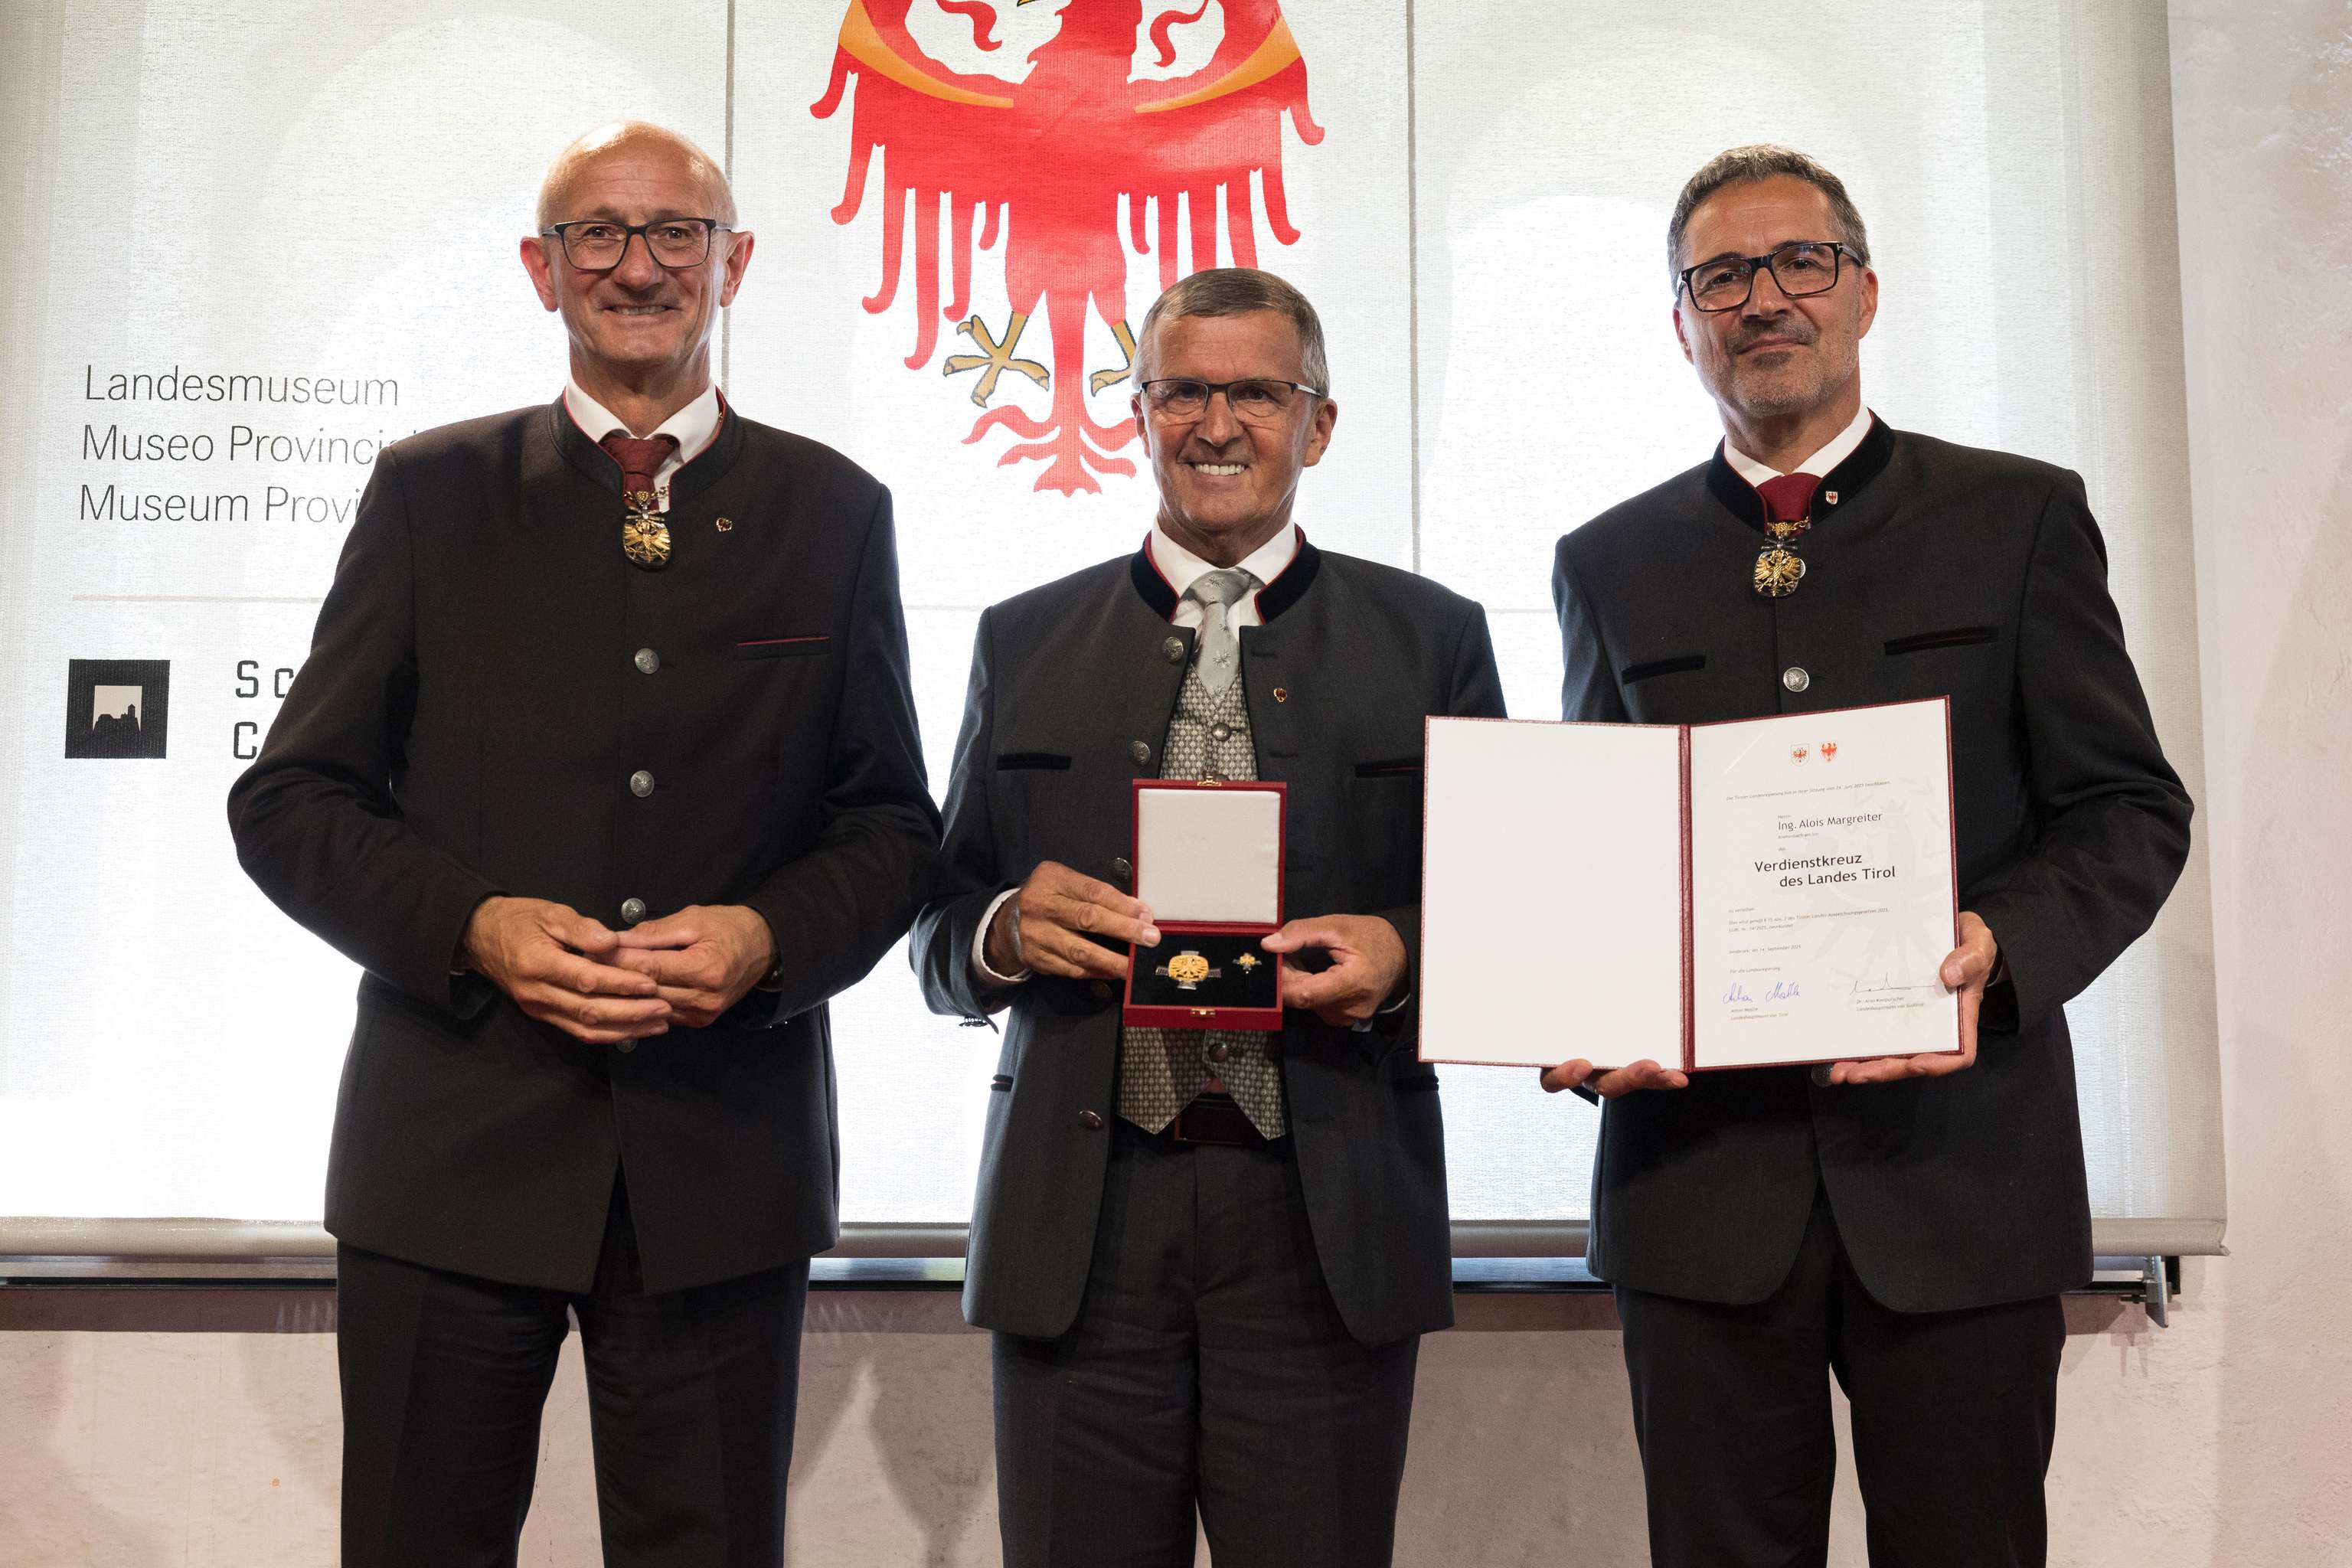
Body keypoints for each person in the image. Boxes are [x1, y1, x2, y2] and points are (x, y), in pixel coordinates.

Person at [226, 120, 939, 1567]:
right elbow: (290, 802)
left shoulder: (835, 510)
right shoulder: (432, 494)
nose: (638, 266)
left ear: (733, 262)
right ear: (542, 273)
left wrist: (766, 940)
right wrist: (474, 925)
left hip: (722, 1166)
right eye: (597, 237)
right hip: (450, 1153)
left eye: (675, 233)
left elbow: (888, 827)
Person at [1544, 145, 2192, 1567]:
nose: (1762, 298)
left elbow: (2132, 812)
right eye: (1721, 276)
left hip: (1962, 1183)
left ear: (1865, 293)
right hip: (1697, 1193)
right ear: (1680, 321)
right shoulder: (1609, 560)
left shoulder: (2015, 517)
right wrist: (1579, 993)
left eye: (1799, 264)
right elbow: (1602, 845)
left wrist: (2000, 950)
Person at [911, 267, 1503, 1567]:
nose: (1218, 424)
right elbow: (936, 932)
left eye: (1257, 392)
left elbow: (1507, 918)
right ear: (1138, 410)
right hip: (1085, 1220)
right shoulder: (1024, 638)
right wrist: (1004, 928)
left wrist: (1403, 953)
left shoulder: (1432, 638)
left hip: (1324, 1217)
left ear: (1321, 423)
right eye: (1184, 391)